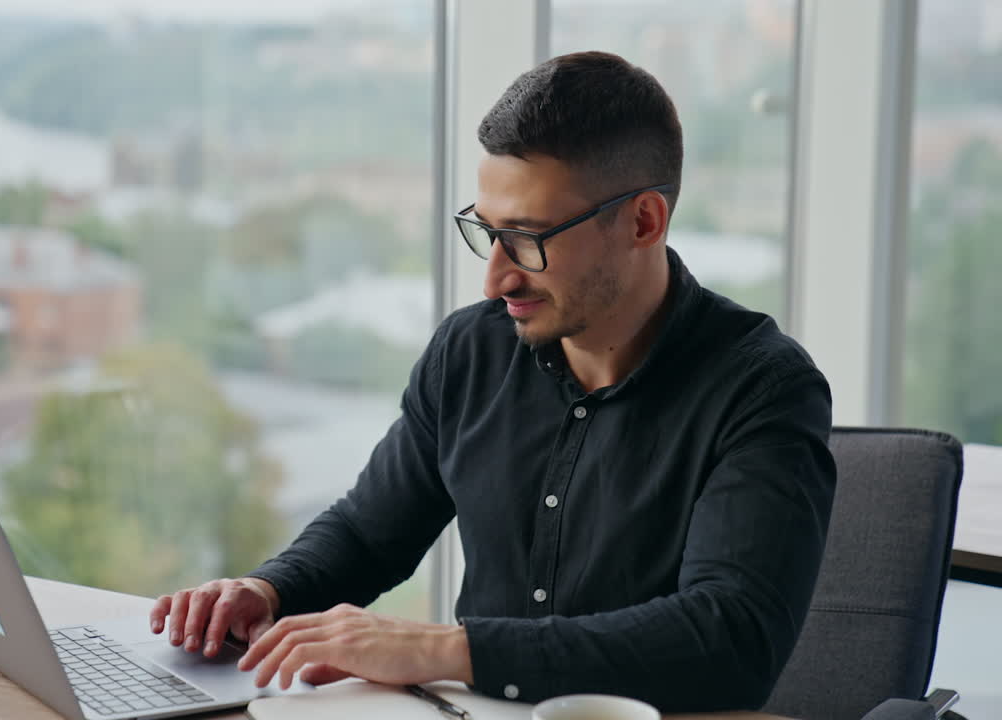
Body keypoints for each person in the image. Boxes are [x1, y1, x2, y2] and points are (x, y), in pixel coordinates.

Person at [148, 51, 835, 713]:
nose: (496, 278)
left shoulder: (763, 388)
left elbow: (729, 639)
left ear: (643, 221)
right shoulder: (471, 349)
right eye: (488, 231)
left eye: (530, 239)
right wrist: (267, 590)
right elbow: (367, 533)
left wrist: (452, 650)